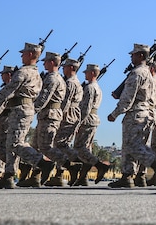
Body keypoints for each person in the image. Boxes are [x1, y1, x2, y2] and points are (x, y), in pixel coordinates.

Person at [0, 43, 54, 189]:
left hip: (20, 109)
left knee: (15, 143)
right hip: (24, 108)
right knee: (10, 143)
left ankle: (42, 163)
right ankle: (9, 175)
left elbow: (7, 92)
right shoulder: (36, 73)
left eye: (23, 53)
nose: (21, 55)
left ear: (30, 54)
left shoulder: (23, 72)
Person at [107, 43, 156, 188]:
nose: (131, 57)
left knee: (132, 145)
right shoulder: (151, 76)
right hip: (147, 113)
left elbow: (127, 99)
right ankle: (130, 177)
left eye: (134, 54)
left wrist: (114, 114)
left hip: (136, 113)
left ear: (141, 55)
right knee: (134, 145)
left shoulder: (137, 73)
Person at [21, 51, 66, 187]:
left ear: (52, 62)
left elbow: (44, 98)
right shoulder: (52, 77)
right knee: (36, 146)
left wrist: (31, 110)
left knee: (45, 146)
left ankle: (70, 164)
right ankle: (35, 176)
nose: (44, 64)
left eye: (46, 61)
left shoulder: (52, 79)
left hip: (49, 115)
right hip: (46, 115)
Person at [45, 58, 83, 186]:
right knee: (60, 144)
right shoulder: (72, 82)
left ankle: (77, 162)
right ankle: (63, 171)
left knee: (60, 144)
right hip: (71, 115)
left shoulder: (71, 83)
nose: (63, 68)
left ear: (72, 68)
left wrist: (59, 116)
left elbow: (65, 103)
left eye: (65, 66)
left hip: (67, 115)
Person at [72, 64, 110, 186]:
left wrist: (78, 123)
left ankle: (100, 166)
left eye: (87, 72)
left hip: (87, 119)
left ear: (93, 73)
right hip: (93, 119)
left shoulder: (89, 88)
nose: (85, 74)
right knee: (86, 149)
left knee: (79, 148)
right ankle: (83, 177)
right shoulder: (97, 87)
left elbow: (85, 107)